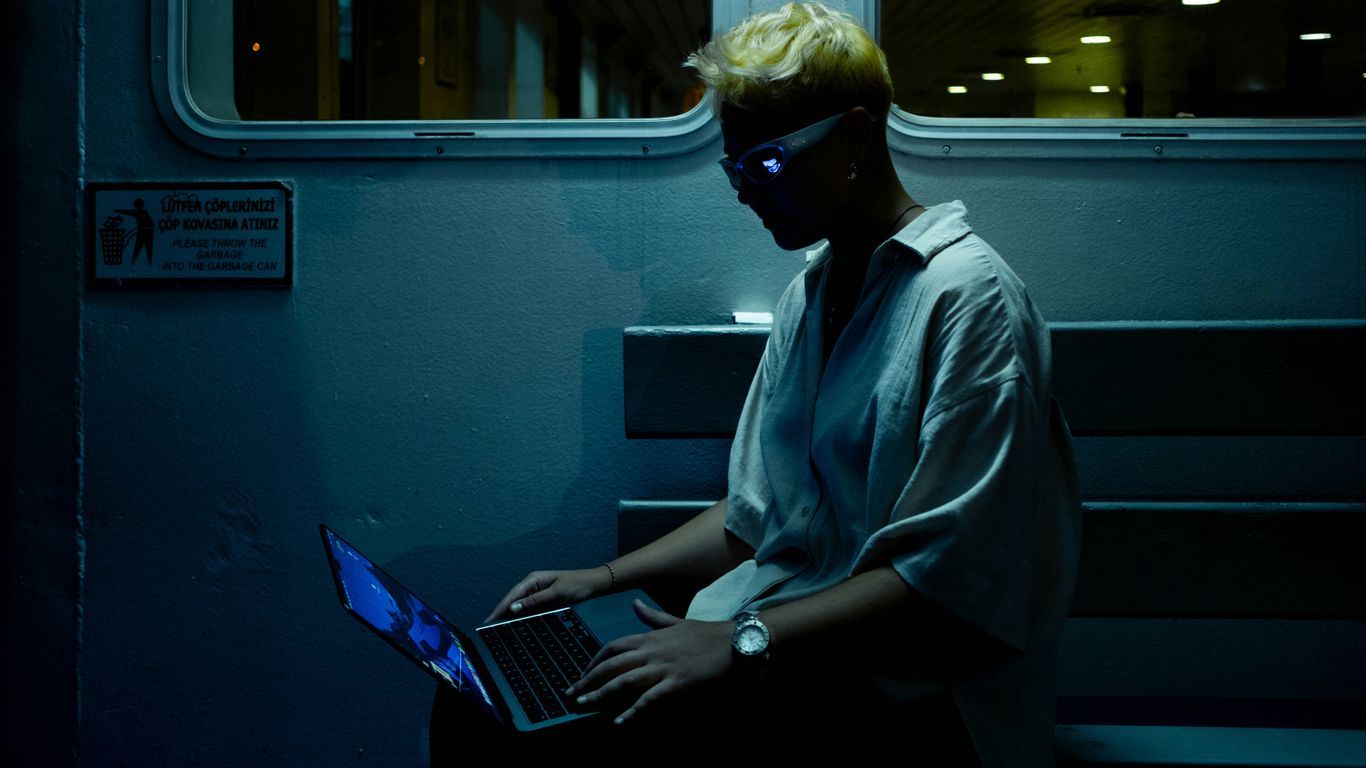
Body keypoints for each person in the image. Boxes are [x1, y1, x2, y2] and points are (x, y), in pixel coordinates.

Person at [471, 4, 1081, 764]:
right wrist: (599, 579)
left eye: (763, 163)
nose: (742, 191)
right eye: (733, 167)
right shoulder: (817, 290)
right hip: (781, 644)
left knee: (547, 733)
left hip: (915, 694)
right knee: (497, 698)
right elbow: (759, 517)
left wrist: (740, 641)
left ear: (855, 138)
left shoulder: (968, 299)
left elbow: (945, 582)